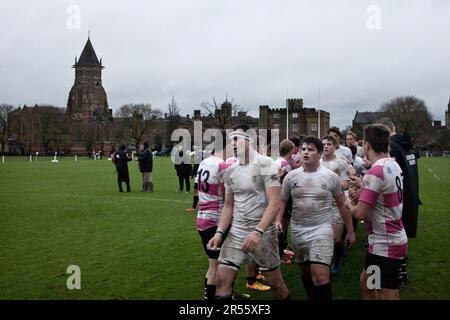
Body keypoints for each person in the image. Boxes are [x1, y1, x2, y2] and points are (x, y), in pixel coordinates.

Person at [207, 125, 290, 300]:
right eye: (231, 142)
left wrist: (258, 232)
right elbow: (228, 206)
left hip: (264, 234)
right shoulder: (230, 171)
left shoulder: (266, 163)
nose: (233, 144)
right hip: (237, 233)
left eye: (236, 139)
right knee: (222, 282)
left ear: (249, 140)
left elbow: (275, 203)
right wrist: (219, 233)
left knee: (276, 284)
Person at [280, 137, 355, 300]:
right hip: (298, 230)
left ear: (320, 153)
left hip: (322, 229)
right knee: (306, 274)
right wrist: (278, 221)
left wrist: (350, 231)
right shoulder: (291, 177)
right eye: (303, 149)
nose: (306, 152)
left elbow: (343, 205)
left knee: (320, 276)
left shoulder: (330, 177)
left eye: (311, 149)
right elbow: (282, 201)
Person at [346, 124, 408, 300]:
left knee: (385, 291)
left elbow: (360, 214)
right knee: (367, 283)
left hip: (385, 244)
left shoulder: (375, 172)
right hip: (391, 238)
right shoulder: (392, 164)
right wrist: (363, 188)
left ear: (366, 145)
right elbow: (383, 196)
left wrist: (348, 203)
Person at [378, 118, 420, 238]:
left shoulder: (391, 145)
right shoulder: (407, 144)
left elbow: (388, 171)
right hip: (411, 191)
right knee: (404, 229)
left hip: (397, 193)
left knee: (395, 231)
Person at [320, 135, 351, 274]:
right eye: (324, 144)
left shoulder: (341, 163)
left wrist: (334, 187)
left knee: (337, 240)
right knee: (322, 238)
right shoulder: (316, 162)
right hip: (320, 206)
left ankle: (336, 262)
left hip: (336, 204)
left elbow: (346, 182)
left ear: (334, 147)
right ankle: (324, 263)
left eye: (329, 144)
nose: (325, 146)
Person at [275, 139, 296, 264]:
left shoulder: (277, 161)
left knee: (282, 224)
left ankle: (283, 248)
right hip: (284, 197)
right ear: (290, 150)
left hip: (279, 196)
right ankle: (281, 252)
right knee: (283, 225)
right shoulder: (285, 164)